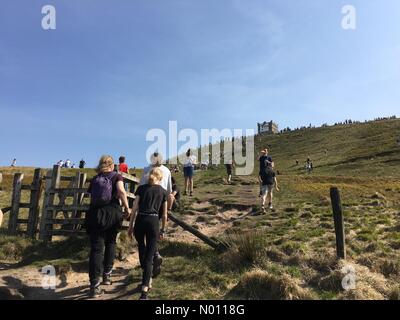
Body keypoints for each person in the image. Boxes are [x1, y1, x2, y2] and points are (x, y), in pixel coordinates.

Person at [85, 155, 131, 298]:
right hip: (112, 213)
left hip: (95, 214)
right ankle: (107, 276)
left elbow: (91, 196)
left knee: (96, 249)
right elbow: (121, 191)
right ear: (112, 165)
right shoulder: (116, 176)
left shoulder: (95, 179)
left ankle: (94, 286)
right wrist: (127, 207)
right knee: (111, 242)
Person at [128, 167, 168, 300]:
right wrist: (163, 229)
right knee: (150, 256)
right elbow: (165, 214)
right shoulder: (163, 192)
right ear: (160, 178)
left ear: (149, 176)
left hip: (140, 220)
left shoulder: (141, 189)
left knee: (141, 246)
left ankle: (146, 273)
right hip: (153, 221)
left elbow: (134, 208)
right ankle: (145, 289)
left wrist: (130, 226)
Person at [140, 152, 173, 276]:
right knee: (153, 232)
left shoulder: (147, 169)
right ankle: (153, 256)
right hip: (160, 202)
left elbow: (141, 187)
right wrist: (168, 209)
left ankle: (152, 257)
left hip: (147, 204)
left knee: (146, 234)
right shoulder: (167, 170)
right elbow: (169, 191)